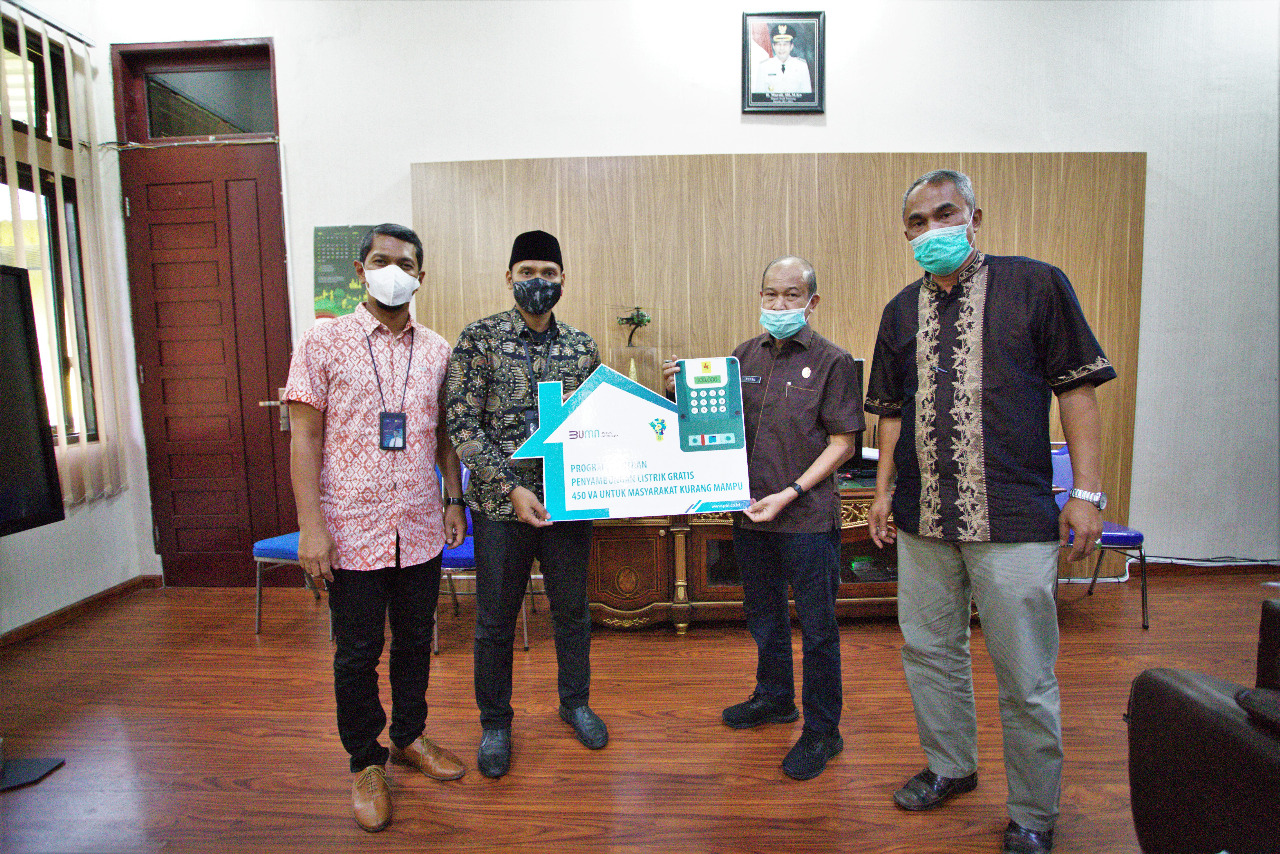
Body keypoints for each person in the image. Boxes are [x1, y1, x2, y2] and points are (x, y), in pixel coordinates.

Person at [866, 170, 1116, 854]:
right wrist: (883, 492)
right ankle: (951, 765)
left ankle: (1034, 811)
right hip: (923, 518)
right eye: (918, 221)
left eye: (946, 214)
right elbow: (891, 413)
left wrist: (1086, 494)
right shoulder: (899, 311)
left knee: (1026, 677)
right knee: (929, 652)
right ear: (906, 233)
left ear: (975, 217)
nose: (932, 229)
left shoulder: (1036, 285)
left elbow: (1078, 391)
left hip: (1012, 518)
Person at [285, 223, 469, 833]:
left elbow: (444, 438)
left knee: (416, 641)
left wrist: (453, 500)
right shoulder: (323, 341)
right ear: (360, 270)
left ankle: (410, 737)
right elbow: (304, 438)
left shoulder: (438, 349)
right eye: (381, 260)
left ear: (421, 276)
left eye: (406, 263)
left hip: (418, 524)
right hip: (351, 529)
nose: (394, 271)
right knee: (358, 653)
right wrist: (310, 527)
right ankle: (366, 761)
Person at [663, 256, 863, 780]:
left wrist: (791, 492)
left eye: (791, 295)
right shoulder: (741, 357)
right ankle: (775, 698)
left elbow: (843, 443)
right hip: (751, 515)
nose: (779, 304)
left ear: (812, 302)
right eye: (770, 294)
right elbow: (713, 425)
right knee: (764, 616)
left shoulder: (833, 361)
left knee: (818, 629)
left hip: (807, 518)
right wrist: (679, 392)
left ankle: (824, 732)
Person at [445, 229, 606, 779]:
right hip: (500, 507)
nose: (539, 281)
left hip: (567, 505)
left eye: (549, 273)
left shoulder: (582, 346)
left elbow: (596, 422)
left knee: (572, 612)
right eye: (528, 271)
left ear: (563, 280)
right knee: (495, 620)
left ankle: (575, 704)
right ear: (509, 277)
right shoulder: (479, 340)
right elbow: (462, 426)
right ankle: (495, 723)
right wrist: (512, 487)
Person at [752, 24, 812, 95]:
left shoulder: (801, 66)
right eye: (778, 44)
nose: (782, 48)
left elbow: (807, 96)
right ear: (773, 46)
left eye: (785, 44)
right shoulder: (764, 67)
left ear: (791, 46)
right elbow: (759, 97)